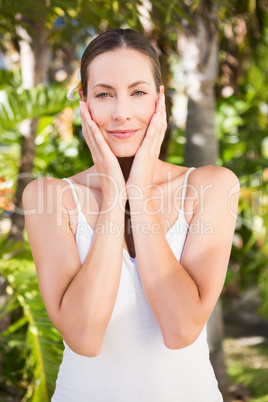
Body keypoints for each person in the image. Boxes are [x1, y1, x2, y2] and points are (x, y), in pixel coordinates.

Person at [23, 28, 239, 402]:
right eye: (104, 94)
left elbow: (180, 328)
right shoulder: (49, 196)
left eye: (138, 92)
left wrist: (136, 190)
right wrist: (113, 193)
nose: (122, 113)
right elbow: (85, 337)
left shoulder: (211, 187)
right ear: (83, 103)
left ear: (160, 99)